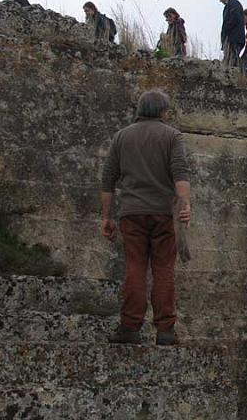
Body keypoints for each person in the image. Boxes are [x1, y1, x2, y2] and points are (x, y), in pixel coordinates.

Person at [100, 89, 191, 346]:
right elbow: (180, 174)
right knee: (163, 270)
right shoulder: (172, 136)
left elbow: (108, 180)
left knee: (135, 268)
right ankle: (165, 331)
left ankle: (130, 327)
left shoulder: (121, 137)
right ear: (163, 111)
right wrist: (185, 205)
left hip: (131, 213)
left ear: (140, 110)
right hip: (163, 214)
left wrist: (106, 217)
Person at [217, 0, 245, 67]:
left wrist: (226, 31)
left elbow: (234, 19)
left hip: (233, 38)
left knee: (231, 60)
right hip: (233, 38)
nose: (220, 0)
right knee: (230, 59)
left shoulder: (233, 4)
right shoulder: (231, 5)